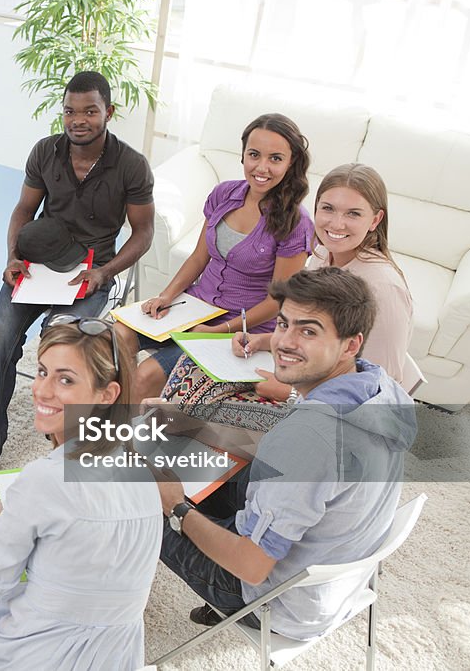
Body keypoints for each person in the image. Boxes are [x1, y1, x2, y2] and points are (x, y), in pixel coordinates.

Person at [156, 267, 416, 640]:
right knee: (213, 459)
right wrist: (187, 424)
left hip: (274, 600)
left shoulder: (308, 442)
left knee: (136, 497)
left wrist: (176, 507)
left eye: (308, 331)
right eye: (283, 324)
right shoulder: (380, 386)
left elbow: (251, 567)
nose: (284, 342)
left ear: (350, 344)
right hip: (335, 582)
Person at [0, 71, 156, 492]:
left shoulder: (132, 165)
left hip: (92, 271)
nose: (78, 119)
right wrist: (13, 258)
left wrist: (105, 273)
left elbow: (143, 233)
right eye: (70, 110)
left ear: (109, 111)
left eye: (90, 110)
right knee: (0, 341)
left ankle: (64, 454)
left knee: (64, 349)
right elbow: (22, 211)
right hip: (39, 265)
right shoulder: (45, 152)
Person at [0, 315, 162, 670]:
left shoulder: (42, 479)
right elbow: (85, 552)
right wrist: (12, 523)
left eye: (65, 379)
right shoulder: (142, 460)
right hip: (116, 655)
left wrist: (1, 536)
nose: (42, 390)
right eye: (42, 371)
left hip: (41, 654)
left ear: (107, 394)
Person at [163, 163, 417, 430]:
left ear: (375, 220)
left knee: (201, 411)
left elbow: (376, 394)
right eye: (328, 208)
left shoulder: (384, 290)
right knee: (191, 373)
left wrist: (291, 394)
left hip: (340, 419)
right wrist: (261, 340)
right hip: (304, 375)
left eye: (353, 213)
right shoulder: (321, 254)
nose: (336, 224)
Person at [129, 113, 314, 403]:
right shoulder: (224, 194)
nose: (262, 167)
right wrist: (166, 296)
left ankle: (130, 434)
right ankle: (115, 412)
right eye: (254, 155)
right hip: (194, 307)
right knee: (114, 337)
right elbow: (199, 257)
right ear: (243, 156)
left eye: (275, 158)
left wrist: (218, 330)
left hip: (241, 330)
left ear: (291, 163)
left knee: (145, 376)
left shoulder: (297, 223)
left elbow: (279, 301)